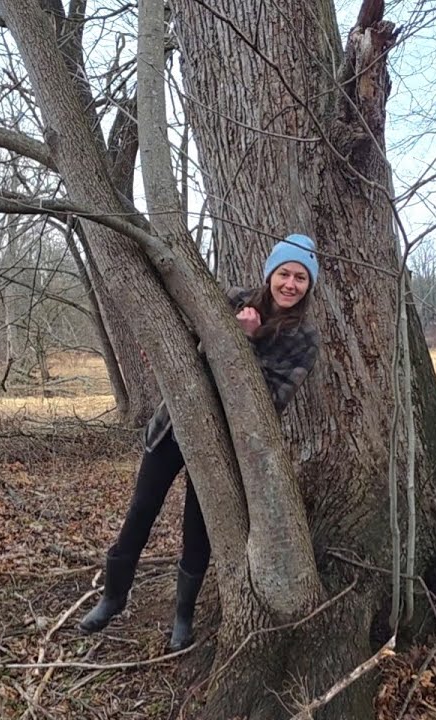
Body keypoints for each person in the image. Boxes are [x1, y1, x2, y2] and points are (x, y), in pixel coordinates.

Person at [78, 234, 322, 651]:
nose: (291, 284)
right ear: (270, 274)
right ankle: (113, 596)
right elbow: (180, 329)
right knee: (141, 511)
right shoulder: (231, 299)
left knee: (199, 529)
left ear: (308, 286)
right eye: (285, 273)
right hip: (174, 424)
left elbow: (270, 400)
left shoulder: (303, 338)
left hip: (223, 444)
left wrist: (243, 341)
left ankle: (183, 616)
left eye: (301, 278)